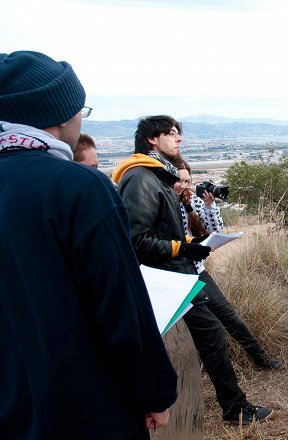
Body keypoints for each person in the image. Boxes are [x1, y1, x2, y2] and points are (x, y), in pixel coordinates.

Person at [0, 51, 177, 439]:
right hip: (82, 404)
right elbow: (119, 305)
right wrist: (154, 391)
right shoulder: (77, 188)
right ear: (61, 114)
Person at [111, 115, 273, 425]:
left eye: (178, 133)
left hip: (177, 272)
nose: (179, 139)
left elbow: (163, 230)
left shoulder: (157, 176)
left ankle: (232, 406)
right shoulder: (140, 178)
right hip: (164, 277)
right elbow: (137, 239)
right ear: (152, 141)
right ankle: (226, 408)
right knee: (193, 338)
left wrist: (190, 245)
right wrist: (184, 248)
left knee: (210, 333)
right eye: (171, 134)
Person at [174, 159, 284, 371]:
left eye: (187, 180)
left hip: (197, 271)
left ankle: (260, 359)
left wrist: (209, 205)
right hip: (177, 275)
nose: (183, 185)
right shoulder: (164, 204)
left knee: (228, 316)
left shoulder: (192, 201)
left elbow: (216, 229)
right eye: (179, 180)